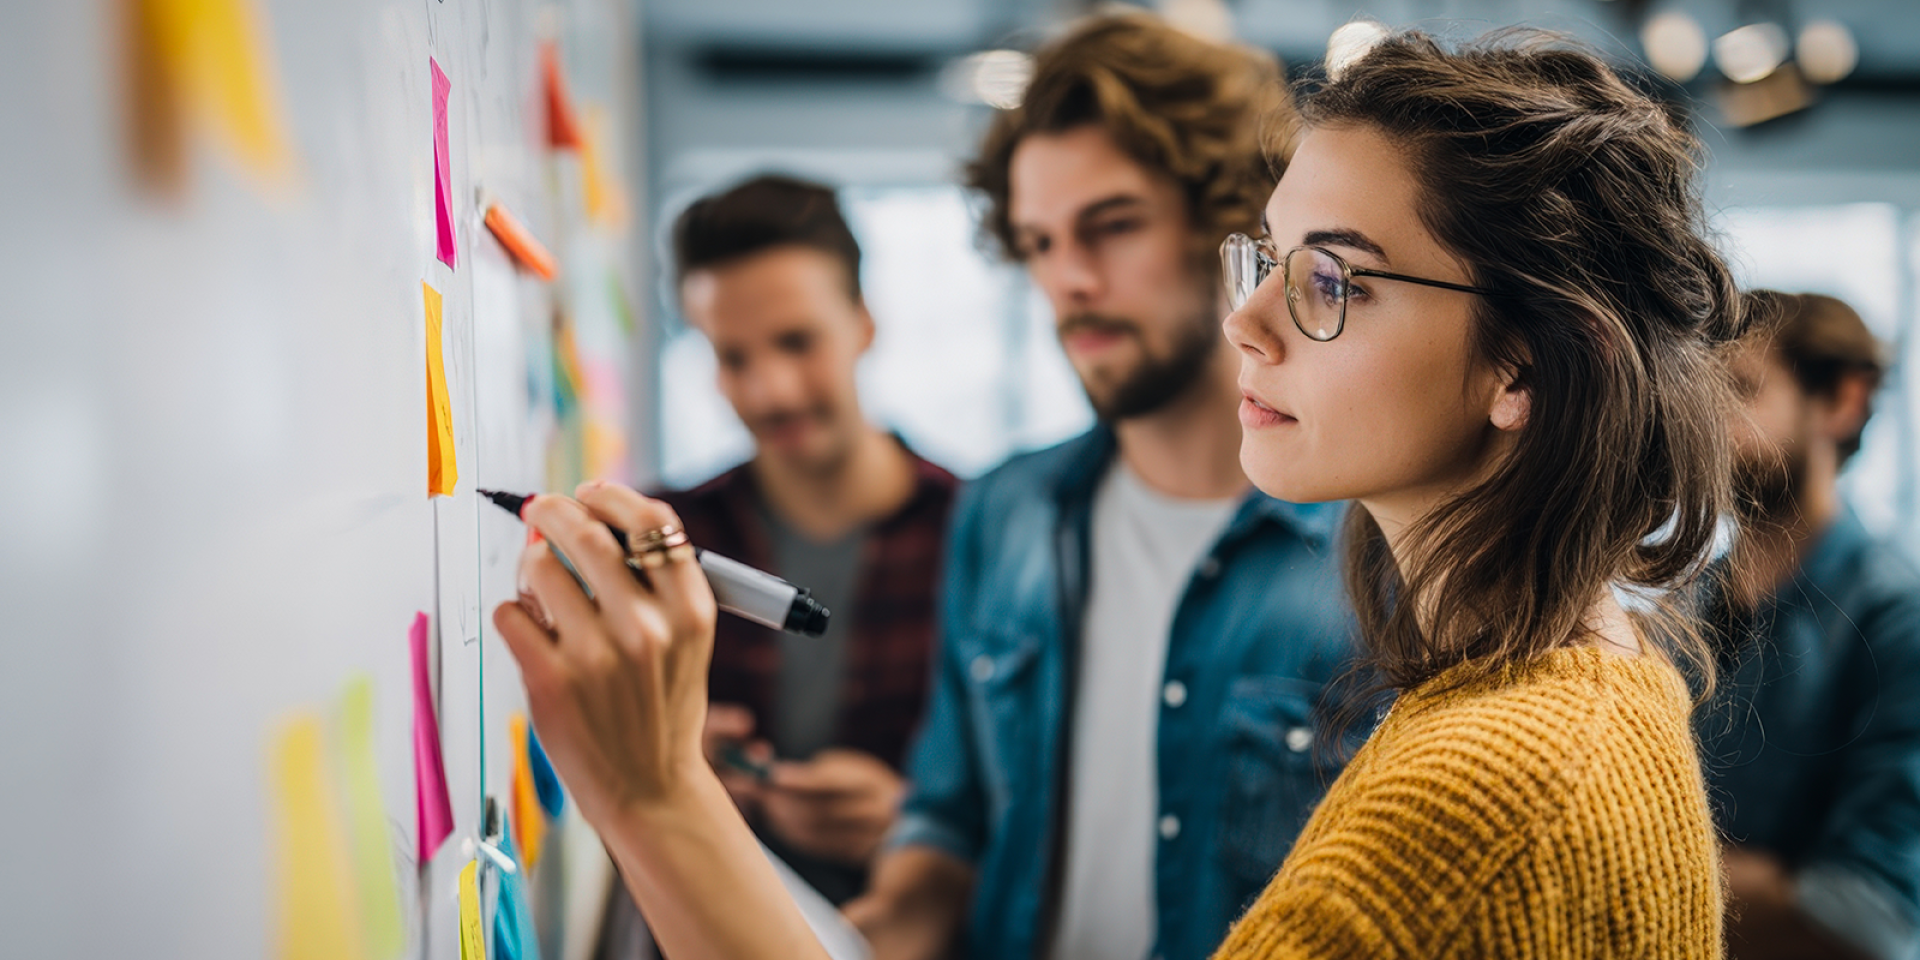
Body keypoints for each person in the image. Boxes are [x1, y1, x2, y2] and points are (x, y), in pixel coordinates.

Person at [495, 25, 1743, 960]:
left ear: (1524, 364)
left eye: (1332, 280)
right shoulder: (1574, 678)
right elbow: (953, 834)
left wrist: (653, 793)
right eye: (1270, 261)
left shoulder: (1487, 785)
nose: (1247, 319)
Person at [844, 14, 1361, 960]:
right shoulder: (1003, 514)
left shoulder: (1376, 548)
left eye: (1112, 226)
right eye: (1038, 242)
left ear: (1232, 225)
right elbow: (948, 827)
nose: (1069, 279)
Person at [595, 175, 959, 956]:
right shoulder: (667, 537)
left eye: (797, 342)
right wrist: (668, 756)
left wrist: (916, 824)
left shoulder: (979, 534)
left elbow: (1036, 797)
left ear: (863, 324)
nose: (771, 391)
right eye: (733, 356)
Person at [1700, 291, 1920, 960]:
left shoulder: (1896, 620)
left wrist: (1633, 856)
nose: (1707, 422)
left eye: (1742, 389)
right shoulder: (1678, 610)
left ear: (1843, 402)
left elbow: (1868, 915)